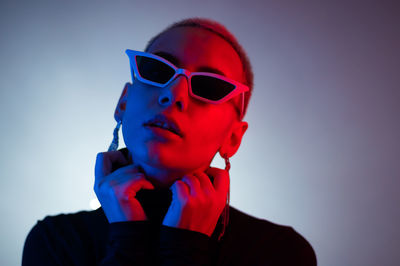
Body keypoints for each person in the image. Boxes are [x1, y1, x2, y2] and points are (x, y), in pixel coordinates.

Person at [22, 17, 317, 265]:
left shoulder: (280, 253)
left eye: (209, 86)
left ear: (233, 138)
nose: (173, 95)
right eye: (157, 70)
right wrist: (128, 237)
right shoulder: (54, 241)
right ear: (123, 102)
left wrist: (185, 247)